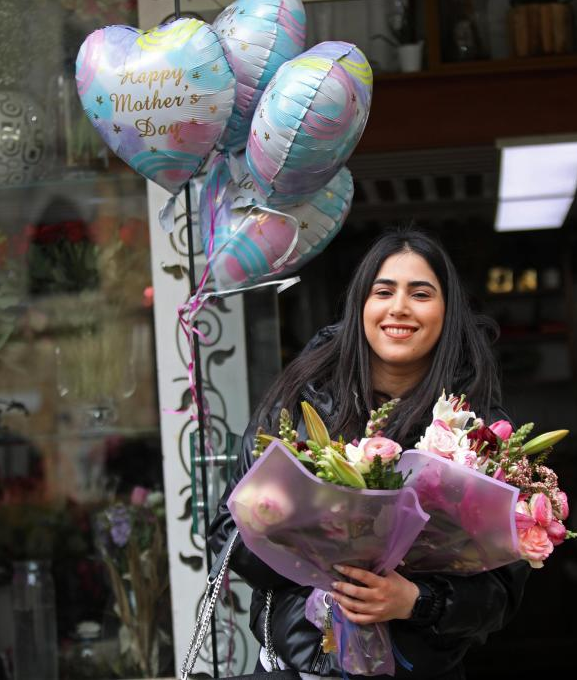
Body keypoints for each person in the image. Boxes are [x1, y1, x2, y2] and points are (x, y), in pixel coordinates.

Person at [207, 229, 531, 679]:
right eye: (383, 292)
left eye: (421, 294)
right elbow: (229, 532)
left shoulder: (479, 434)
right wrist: (318, 558)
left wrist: (415, 600)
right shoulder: (299, 405)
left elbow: (501, 590)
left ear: (447, 311)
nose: (399, 307)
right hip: (299, 666)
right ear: (361, 305)